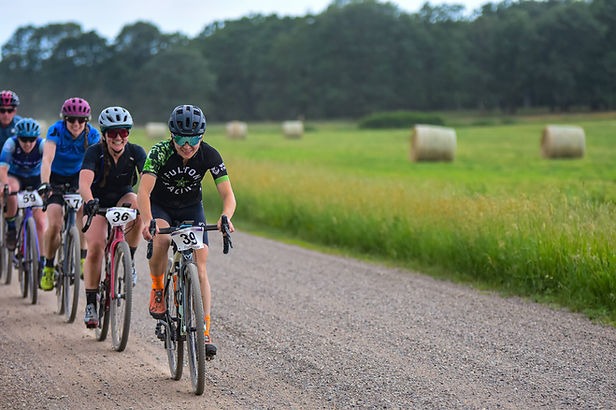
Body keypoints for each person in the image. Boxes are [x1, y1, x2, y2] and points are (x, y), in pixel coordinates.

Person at [137, 104, 236, 359]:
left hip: (192, 208)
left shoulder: (210, 154)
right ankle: (158, 289)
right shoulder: (159, 152)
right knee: (162, 239)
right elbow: (144, 192)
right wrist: (148, 220)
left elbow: (228, 195)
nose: (187, 145)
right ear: (172, 134)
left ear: (201, 136)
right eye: (181, 138)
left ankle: (204, 330)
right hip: (161, 207)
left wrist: (225, 216)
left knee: (201, 263)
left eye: (193, 139)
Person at [79, 106, 146, 328]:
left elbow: (147, 181)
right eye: (112, 133)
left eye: (123, 132)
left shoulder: (136, 152)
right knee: (96, 247)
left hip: (122, 197)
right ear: (105, 134)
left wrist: (151, 206)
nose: (118, 138)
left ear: (128, 133)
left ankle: (130, 259)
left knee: (137, 206)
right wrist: (89, 202)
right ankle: (90, 303)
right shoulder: (94, 152)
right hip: (98, 201)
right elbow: (84, 183)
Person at [39, 97, 101, 291]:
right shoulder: (56, 130)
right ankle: (48, 266)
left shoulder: (93, 135)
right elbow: (47, 159)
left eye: (81, 120)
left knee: (84, 212)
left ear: (87, 121)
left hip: (78, 177)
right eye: (71, 119)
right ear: (64, 119)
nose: (76, 124)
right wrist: (45, 184)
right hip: (55, 178)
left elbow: (98, 162)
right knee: (55, 223)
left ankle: (82, 257)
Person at [0, 118, 46, 253]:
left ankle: (42, 260)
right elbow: (2, 169)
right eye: (24, 139)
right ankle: (12, 227)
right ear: (17, 137)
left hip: (36, 178)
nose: (27, 143)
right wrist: (5, 186)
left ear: (37, 138)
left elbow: (51, 165)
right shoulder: (11, 144)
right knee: (11, 190)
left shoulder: (42, 144)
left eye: (31, 139)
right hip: (16, 176)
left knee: (41, 224)